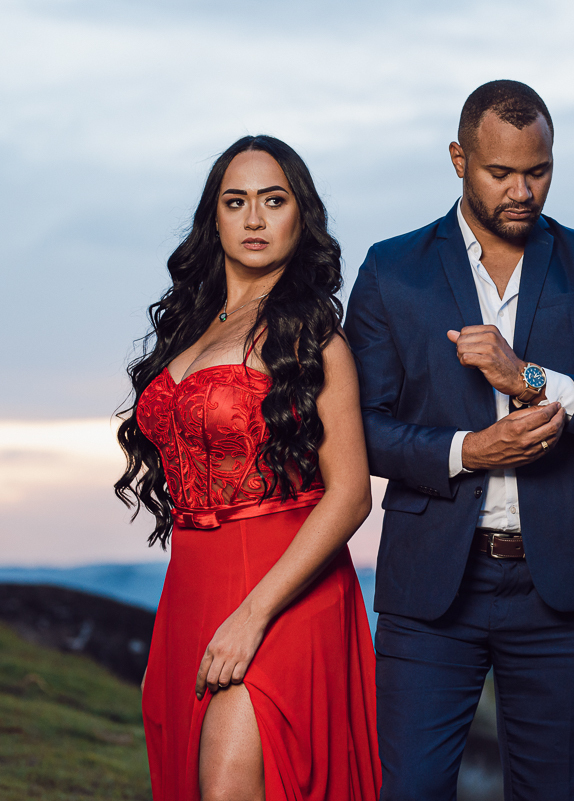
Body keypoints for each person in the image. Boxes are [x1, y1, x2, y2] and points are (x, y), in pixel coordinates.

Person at [344, 80, 574, 800]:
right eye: (501, 172)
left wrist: (528, 375)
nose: (522, 190)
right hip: (431, 592)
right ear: (459, 159)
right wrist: (470, 450)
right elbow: (356, 431)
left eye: (539, 170)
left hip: (562, 590)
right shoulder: (392, 270)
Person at [115, 135, 381, 801]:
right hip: (189, 592)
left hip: (283, 594)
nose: (255, 218)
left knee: (229, 782)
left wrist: (252, 614)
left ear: (301, 216)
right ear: (215, 218)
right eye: (237, 202)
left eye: (273, 200)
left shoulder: (313, 339)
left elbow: (349, 496)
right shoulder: (190, 329)